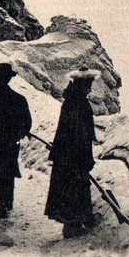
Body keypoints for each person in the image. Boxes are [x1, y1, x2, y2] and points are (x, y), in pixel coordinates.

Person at [44, 67, 100, 238]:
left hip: (67, 155)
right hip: (74, 156)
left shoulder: (72, 101)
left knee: (70, 187)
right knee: (74, 187)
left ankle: (76, 221)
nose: (90, 89)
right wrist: (84, 158)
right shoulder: (78, 103)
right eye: (89, 85)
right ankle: (73, 225)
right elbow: (79, 133)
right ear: (82, 85)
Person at [0, 63, 33, 218]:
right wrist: (17, 135)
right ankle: (7, 203)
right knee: (9, 173)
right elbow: (27, 123)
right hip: (11, 144)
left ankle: (2, 205)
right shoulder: (19, 99)